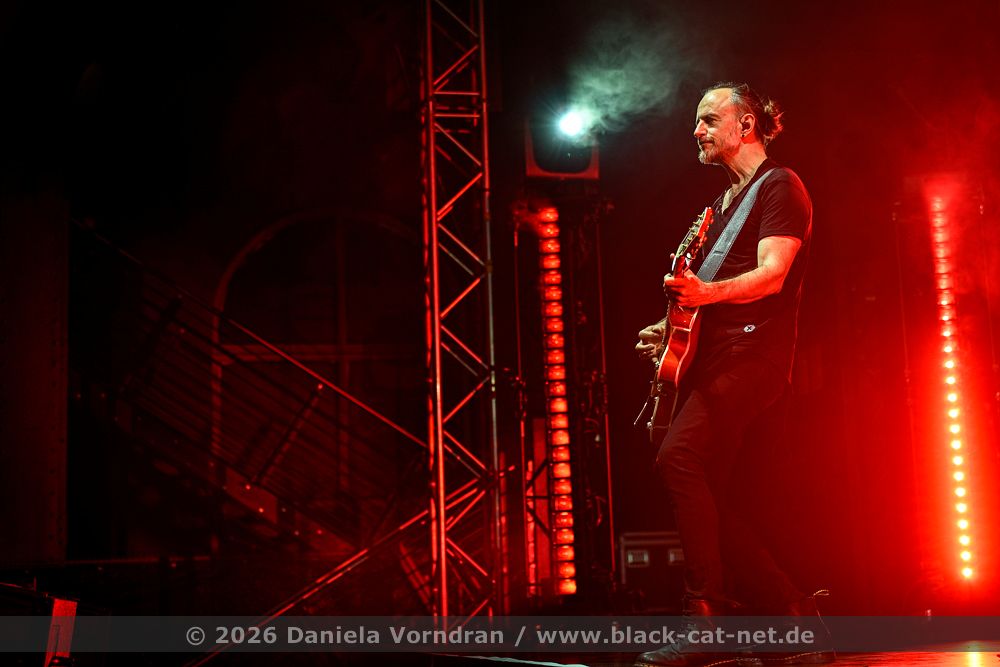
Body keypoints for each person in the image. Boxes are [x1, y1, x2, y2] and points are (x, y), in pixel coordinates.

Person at [633, 83, 831, 666]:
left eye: (708, 120)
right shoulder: (717, 209)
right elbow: (708, 294)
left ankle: (705, 621)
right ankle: (796, 619)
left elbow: (772, 274)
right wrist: (669, 330)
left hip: (754, 356)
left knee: (678, 459)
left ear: (746, 125)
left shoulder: (781, 186)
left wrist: (705, 294)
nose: (696, 131)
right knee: (710, 497)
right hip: (717, 357)